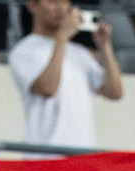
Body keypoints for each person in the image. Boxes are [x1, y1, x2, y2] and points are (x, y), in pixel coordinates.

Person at [10, 0, 122, 149]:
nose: (60, 8)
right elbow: (48, 88)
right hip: (44, 156)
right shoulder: (24, 51)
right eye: (52, 2)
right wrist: (62, 37)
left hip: (82, 156)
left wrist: (105, 47)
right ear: (32, 5)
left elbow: (114, 92)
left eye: (64, 2)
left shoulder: (79, 52)